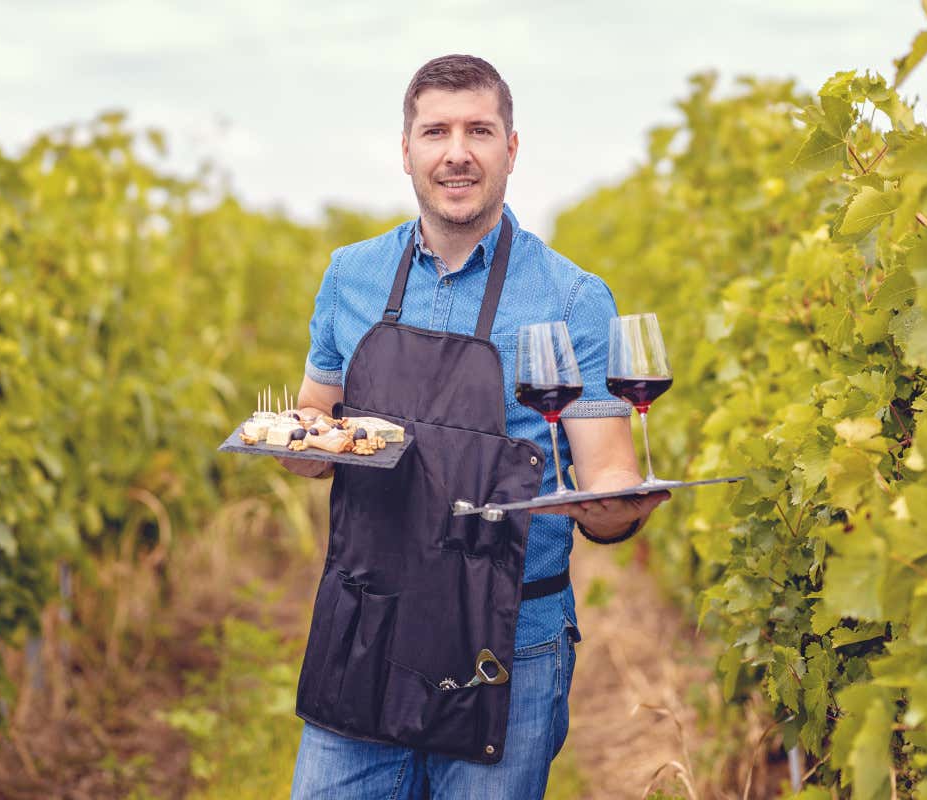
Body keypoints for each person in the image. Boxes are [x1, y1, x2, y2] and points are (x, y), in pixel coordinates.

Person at [280, 54, 669, 800]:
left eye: (479, 131)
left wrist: (617, 509)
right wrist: (298, 446)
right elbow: (316, 425)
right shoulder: (350, 275)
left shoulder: (572, 297)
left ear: (511, 149)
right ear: (406, 150)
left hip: (509, 643)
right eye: (436, 131)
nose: (456, 152)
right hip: (366, 622)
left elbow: (608, 478)